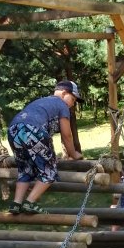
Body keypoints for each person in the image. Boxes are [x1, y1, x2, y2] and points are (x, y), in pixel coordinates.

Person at [7, 80, 84, 215]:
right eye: (73, 99)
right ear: (64, 93)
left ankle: (16, 203)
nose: (73, 104)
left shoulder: (42, 101)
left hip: (13, 129)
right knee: (49, 170)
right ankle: (30, 202)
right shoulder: (62, 105)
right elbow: (67, 135)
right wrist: (73, 154)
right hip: (33, 130)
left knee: (25, 169)